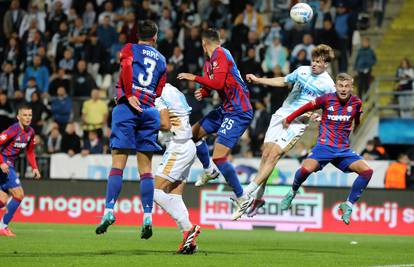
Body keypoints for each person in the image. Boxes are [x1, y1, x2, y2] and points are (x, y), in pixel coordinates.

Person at [237, 44, 336, 219]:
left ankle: (246, 193)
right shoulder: (302, 71)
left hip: (297, 123)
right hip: (281, 114)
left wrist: (316, 114)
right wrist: (259, 80)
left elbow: (332, 106)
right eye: (313, 60)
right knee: (266, 154)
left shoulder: (329, 85)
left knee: (274, 154)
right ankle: (258, 199)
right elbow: (283, 80)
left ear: (326, 64)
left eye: (319, 62)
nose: (314, 64)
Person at [95, 20, 167, 240]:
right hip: (150, 110)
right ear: (155, 36)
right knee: (145, 168)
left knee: (118, 163)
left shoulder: (129, 48)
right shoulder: (162, 59)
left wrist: (129, 93)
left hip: (128, 108)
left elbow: (126, 66)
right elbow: (160, 89)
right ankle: (147, 217)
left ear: (138, 36)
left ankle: (108, 211)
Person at [177, 28, 254, 219]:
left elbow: (218, 84)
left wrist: (193, 78)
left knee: (220, 157)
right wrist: (203, 92)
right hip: (226, 109)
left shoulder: (221, 53)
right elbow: (213, 86)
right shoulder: (209, 62)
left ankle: (243, 197)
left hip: (238, 111)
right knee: (193, 134)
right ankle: (209, 170)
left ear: (204, 43)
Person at [280, 73, 373, 225]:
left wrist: (355, 126)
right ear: (335, 86)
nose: (343, 89)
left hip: (343, 150)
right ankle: (292, 192)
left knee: (367, 172)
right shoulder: (326, 99)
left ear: (351, 87)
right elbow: (306, 107)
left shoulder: (356, 102)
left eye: (346, 86)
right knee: (305, 170)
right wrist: (289, 119)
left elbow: (357, 119)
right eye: (340, 86)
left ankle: (348, 205)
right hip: (324, 147)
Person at [153, 83, 200, 254]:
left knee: (155, 192)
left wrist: (143, 122)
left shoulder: (158, 94)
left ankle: (189, 228)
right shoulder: (173, 89)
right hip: (187, 144)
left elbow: (165, 124)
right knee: (174, 195)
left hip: (177, 146)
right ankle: (189, 240)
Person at [0, 104, 41, 236]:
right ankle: (3, 226)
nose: (28, 118)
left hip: (8, 166)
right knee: (19, 194)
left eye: (29, 115)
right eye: (25, 115)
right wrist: (1, 163)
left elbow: (30, 151)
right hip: (4, 165)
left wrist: (34, 168)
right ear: (18, 116)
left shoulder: (31, 132)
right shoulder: (12, 130)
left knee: (3, 200)